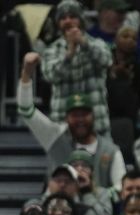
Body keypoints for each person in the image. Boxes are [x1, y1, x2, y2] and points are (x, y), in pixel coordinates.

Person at [18, 52, 127, 192]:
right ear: (66, 118)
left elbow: (121, 188)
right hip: (58, 208)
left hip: (99, 211)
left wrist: (96, 191)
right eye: (75, 115)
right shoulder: (55, 137)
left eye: (84, 114)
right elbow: (26, 110)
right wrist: (26, 73)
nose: (80, 120)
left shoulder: (110, 150)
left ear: (93, 116)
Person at [41, 0, 112, 135]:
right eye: (63, 18)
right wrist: (69, 54)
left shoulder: (97, 44)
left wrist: (84, 44)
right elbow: (50, 76)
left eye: (72, 17)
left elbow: (107, 61)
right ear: (58, 23)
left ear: (81, 21)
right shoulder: (51, 50)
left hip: (97, 125)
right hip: (63, 128)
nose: (68, 21)